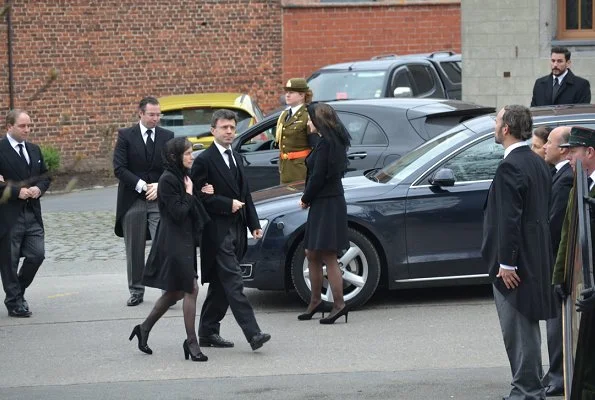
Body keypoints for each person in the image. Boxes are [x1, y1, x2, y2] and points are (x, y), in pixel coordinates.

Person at [481, 105, 556, 400]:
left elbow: (509, 219)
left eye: (496, 121)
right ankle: (530, 386)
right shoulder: (537, 162)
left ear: (506, 128)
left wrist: (506, 263)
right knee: (525, 328)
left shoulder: (511, 166)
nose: (494, 125)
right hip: (534, 257)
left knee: (519, 328)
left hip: (516, 264)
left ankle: (527, 390)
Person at [191, 109, 271, 351]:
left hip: (237, 229)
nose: (228, 131)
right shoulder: (204, 160)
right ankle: (253, 333)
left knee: (221, 285)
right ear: (213, 130)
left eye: (232, 128)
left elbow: (245, 193)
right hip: (216, 233)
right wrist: (226, 204)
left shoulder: (235, 156)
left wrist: (254, 224)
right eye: (224, 127)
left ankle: (207, 332)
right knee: (234, 282)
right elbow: (197, 197)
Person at [129, 137, 212, 361]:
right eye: (187, 153)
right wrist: (188, 192)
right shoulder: (168, 180)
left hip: (184, 240)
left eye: (191, 152)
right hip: (173, 243)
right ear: (175, 157)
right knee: (191, 288)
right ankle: (192, 342)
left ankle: (144, 328)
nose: (191, 156)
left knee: (175, 292)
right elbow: (179, 212)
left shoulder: (183, 176)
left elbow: (194, 205)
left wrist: (199, 191)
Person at [113, 96, 173, 306]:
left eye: (158, 115)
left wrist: (160, 186)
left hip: (159, 198)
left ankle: (167, 288)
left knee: (162, 243)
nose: (156, 118)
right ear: (140, 113)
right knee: (135, 247)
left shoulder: (168, 136)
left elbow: (172, 167)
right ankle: (136, 290)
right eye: (151, 115)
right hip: (133, 199)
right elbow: (119, 168)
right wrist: (141, 185)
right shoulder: (126, 136)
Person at [297, 102, 351, 324]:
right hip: (325, 203)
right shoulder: (326, 142)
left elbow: (318, 176)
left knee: (327, 254)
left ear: (318, 121)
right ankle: (315, 300)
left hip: (327, 203)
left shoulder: (326, 144)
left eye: (310, 119)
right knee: (312, 252)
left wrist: (305, 198)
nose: (308, 122)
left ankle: (339, 305)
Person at [552, 126, 595, 399]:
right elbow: (568, 234)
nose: (568, 158)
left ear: (590, 152)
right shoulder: (580, 187)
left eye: (574, 152)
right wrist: (560, 276)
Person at [0, 109, 51, 317]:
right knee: (9, 261)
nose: (27, 130)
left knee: (37, 254)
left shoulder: (34, 150)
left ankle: (18, 291)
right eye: (22, 126)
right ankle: (14, 303)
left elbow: (45, 176)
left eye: (29, 125)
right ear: (8, 127)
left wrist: (39, 188)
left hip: (32, 213)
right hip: (8, 215)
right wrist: (15, 191)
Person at [541, 126, 573, 397]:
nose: (544, 148)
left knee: (556, 322)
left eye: (549, 143)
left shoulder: (565, 179)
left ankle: (558, 376)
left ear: (563, 149)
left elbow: (555, 224)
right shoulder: (558, 175)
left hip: (555, 261)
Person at [274, 78, 317, 184]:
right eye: (286, 92)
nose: (287, 95)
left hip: (300, 169)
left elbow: (314, 146)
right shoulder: (284, 115)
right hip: (285, 168)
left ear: (302, 95)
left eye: (291, 92)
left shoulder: (307, 115)